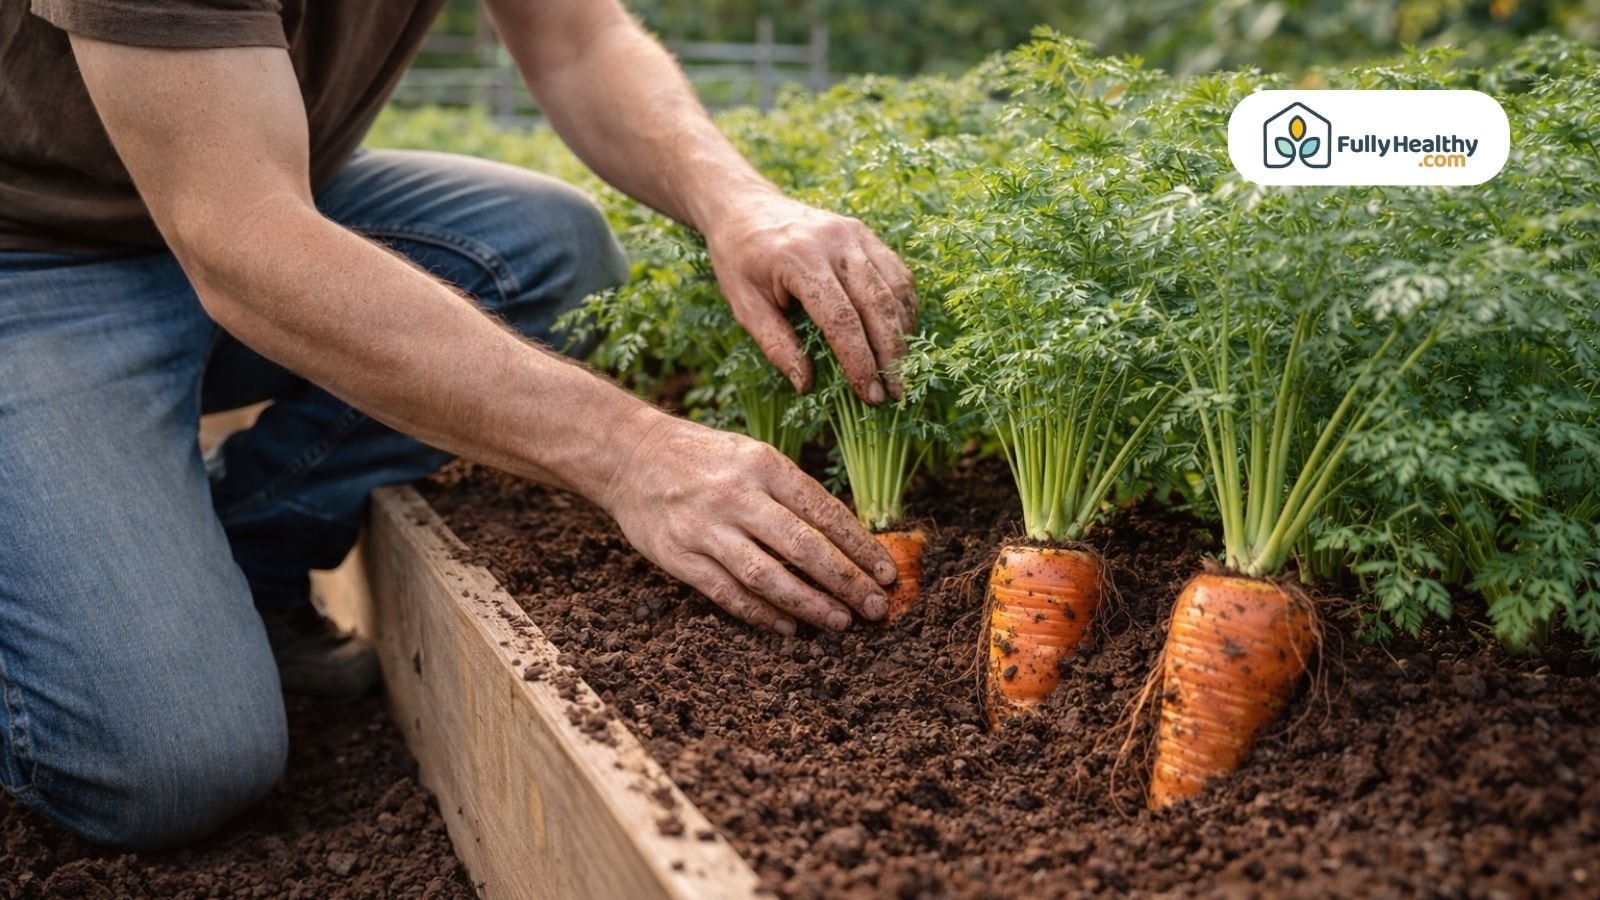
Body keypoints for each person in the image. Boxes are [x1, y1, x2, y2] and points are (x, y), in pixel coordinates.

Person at [0, 0, 916, 849]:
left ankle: (243, 553)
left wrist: (738, 202)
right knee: (173, 766)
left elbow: (577, 42)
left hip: (256, 190)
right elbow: (237, 243)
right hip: (37, 257)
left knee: (546, 252)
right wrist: (632, 452)